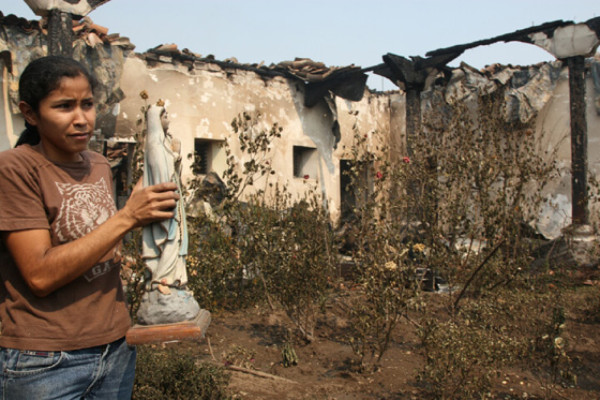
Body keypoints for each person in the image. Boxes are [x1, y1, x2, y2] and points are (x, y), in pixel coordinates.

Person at [0, 55, 180, 399]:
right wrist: (127, 217)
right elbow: (39, 275)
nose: (82, 119)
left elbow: (102, 242)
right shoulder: (16, 169)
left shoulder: (97, 164)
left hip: (115, 348)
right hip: (45, 359)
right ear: (30, 113)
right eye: (64, 106)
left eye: (88, 104)